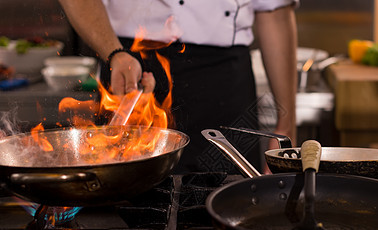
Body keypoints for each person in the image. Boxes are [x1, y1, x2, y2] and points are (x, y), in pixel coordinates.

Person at [58, 0, 298, 173]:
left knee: (234, 205)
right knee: (125, 211)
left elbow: (274, 12)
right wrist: (114, 52)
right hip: (130, 69)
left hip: (223, 82)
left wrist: (286, 124)